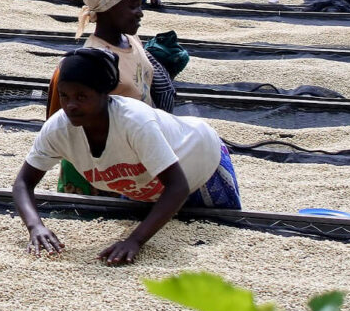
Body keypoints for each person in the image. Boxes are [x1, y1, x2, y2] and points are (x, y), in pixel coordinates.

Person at [13, 48, 242, 266]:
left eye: (82, 96)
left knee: (214, 230)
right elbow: (23, 183)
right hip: (144, 186)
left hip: (199, 163)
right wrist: (35, 226)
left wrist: (135, 241)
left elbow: (177, 186)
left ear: (105, 94)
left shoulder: (134, 122)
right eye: (64, 96)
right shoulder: (58, 130)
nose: (71, 105)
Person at [48, 0, 178, 194]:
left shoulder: (131, 38)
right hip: (112, 164)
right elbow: (79, 122)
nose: (140, 12)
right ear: (108, 7)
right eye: (132, 6)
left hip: (140, 148)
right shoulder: (95, 58)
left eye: (140, 5)